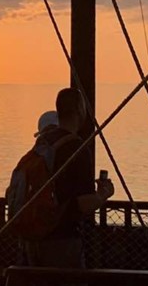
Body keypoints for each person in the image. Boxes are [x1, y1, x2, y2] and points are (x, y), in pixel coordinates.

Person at [26, 87, 114, 268]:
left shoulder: (44, 144)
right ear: (80, 110)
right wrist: (102, 195)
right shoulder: (77, 148)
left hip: (34, 236)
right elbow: (83, 203)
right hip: (63, 239)